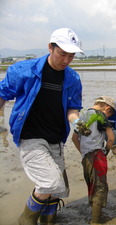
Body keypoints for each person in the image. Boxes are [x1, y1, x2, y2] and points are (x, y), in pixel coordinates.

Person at [0, 28, 84, 224]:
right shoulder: (24, 71)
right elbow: (2, 94)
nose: (66, 60)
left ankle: (49, 220)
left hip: (55, 138)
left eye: (71, 56)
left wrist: (77, 122)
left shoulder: (73, 79)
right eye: (62, 54)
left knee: (58, 189)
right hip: (30, 136)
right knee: (50, 182)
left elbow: (72, 109)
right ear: (50, 47)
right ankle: (26, 220)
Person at [72, 96, 116, 223]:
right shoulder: (101, 116)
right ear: (107, 109)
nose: (108, 117)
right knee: (100, 187)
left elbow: (74, 138)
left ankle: (93, 211)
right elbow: (111, 138)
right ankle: (95, 220)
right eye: (109, 114)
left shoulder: (83, 116)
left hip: (86, 156)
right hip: (97, 155)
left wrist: (83, 152)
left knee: (91, 184)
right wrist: (106, 151)